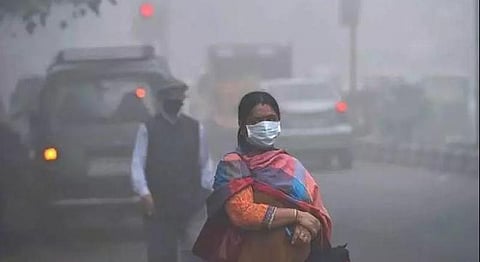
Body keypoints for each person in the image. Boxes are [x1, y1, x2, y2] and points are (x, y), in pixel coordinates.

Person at [193, 91, 333, 262]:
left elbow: (316, 213)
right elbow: (242, 212)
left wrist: (306, 227)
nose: (265, 125)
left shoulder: (292, 165)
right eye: (256, 121)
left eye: (271, 119)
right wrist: (297, 216)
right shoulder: (233, 164)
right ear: (243, 126)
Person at [130, 78, 213, 262]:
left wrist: (206, 191)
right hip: (159, 204)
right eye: (171, 96)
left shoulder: (195, 127)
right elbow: (138, 163)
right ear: (161, 100)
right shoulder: (148, 129)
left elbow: (205, 162)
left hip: (191, 202)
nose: (176, 100)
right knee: (161, 253)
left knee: (196, 252)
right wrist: (144, 193)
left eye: (180, 97)